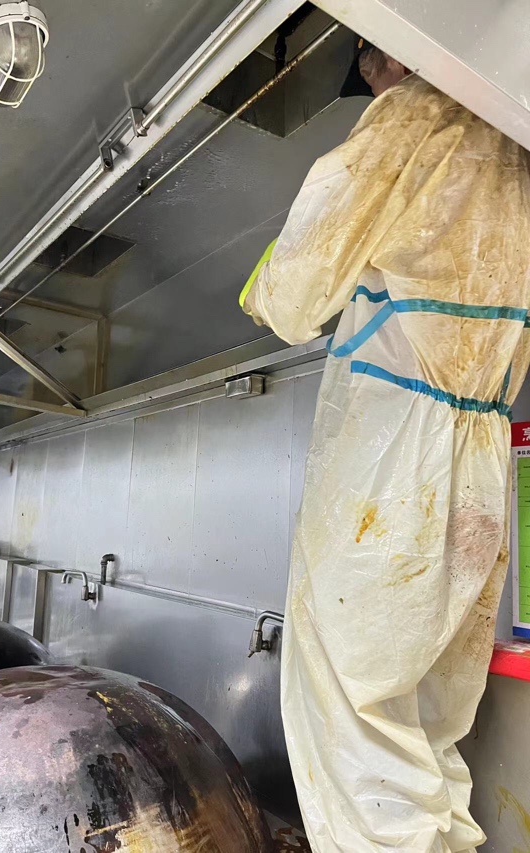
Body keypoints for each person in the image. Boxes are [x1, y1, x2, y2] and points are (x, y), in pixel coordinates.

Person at [241, 40, 530, 852]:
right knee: (430, 730)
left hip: (395, 459)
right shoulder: (520, 151)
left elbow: (296, 292)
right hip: (482, 457)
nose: (372, 81)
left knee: (353, 723)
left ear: (404, 52)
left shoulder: (414, 117)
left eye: (371, 63)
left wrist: (262, 287)